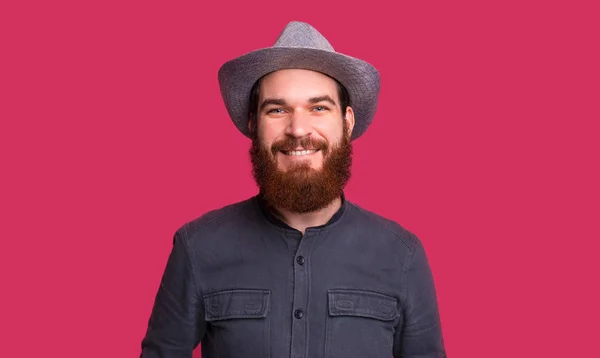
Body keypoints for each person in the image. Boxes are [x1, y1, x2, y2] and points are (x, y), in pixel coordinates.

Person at [140, 21, 446, 358]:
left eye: (318, 108)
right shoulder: (197, 247)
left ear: (347, 121)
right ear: (253, 124)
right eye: (277, 109)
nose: (298, 128)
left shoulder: (402, 255)